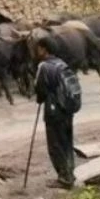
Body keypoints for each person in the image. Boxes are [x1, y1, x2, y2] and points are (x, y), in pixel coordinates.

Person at [34, 36, 79, 189]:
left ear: (44, 49)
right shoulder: (62, 63)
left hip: (54, 111)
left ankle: (64, 178)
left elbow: (39, 89)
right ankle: (70, 174)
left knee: (55, 145)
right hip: (67, 109)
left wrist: (40, 98)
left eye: (38, 48)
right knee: (66, 142)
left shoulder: (44, 66)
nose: (37, 51)